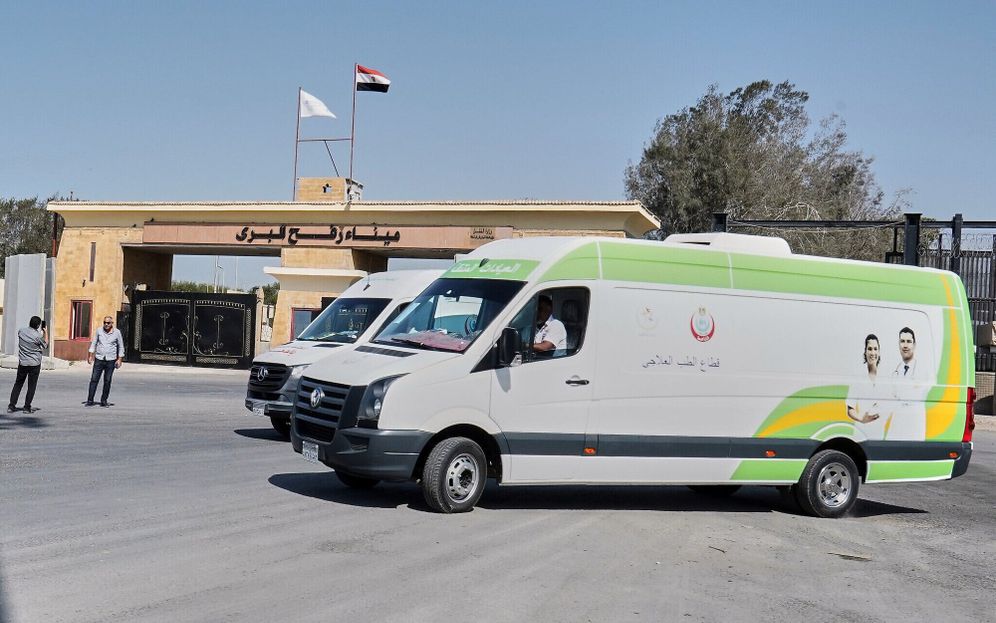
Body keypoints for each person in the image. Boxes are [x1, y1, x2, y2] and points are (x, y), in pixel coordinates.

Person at [7, 316, 48, 414]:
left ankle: (11, 406)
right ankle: (26, 407)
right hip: (34, 363)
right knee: (31, 386)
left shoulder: (21, 331)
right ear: (38, 325)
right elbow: (45, 345)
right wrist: (46, 332)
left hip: (23, 363)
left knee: (18, 384)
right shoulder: (37, 336)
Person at [86, 315, 124, 407]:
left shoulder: (117, 333)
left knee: (107, 381)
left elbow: (121, 346)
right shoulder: (99, 331)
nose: (106, 324)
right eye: (104, 322)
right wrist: (90, 356)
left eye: (108, 323)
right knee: (94, 380)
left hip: (111, 360)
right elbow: (94, 343)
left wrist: (119, 359)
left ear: (112, 323)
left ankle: (104, 401)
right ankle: (90, 400)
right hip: (99, 359)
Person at [846, 334, 882, 425]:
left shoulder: (887, 376)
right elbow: (850, 409)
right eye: (869, 349)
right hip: (864, 429)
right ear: (865, 352)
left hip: (882, 430)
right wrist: (862, 419)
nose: (872, 353)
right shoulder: (858, 378)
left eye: (875, 349)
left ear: (879, 352)